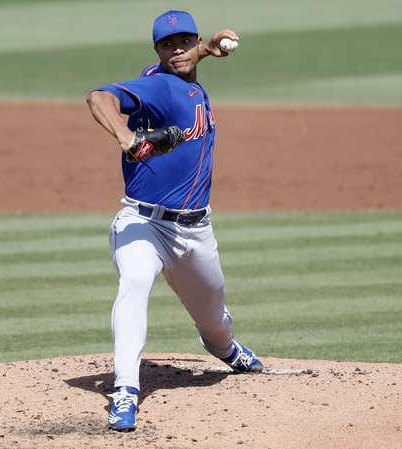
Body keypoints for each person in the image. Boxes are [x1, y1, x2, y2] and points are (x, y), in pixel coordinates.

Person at [86, 10, 263, 432]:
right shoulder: (159, 87)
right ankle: (125, 390)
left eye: (185, 42)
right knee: (134, 284)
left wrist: (208, 50)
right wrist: (127, 138)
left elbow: (185, 63)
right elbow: (99, 98)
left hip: (195, 231)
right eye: (168, 45)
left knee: (214, 320)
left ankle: (224, 349)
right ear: (157, 52)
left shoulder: (186, 81)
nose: (178, 50)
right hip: (141, 224)